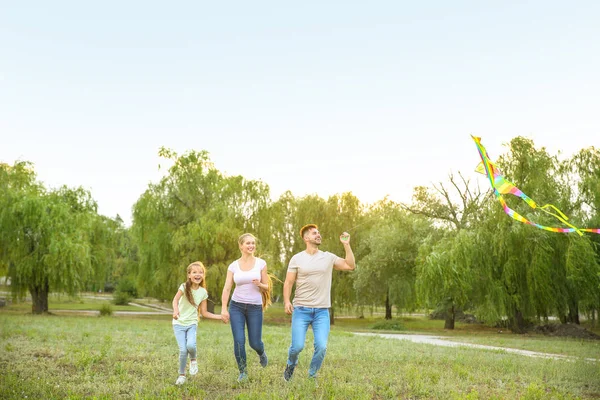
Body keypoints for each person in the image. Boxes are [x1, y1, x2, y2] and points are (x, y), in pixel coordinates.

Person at [283, 224, 355, 381]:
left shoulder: (328, 257)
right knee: (297, 347)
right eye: (315, 233)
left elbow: (350, 265)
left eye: (319, 233)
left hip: (321, 311)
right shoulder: (297, 258)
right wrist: (287, 301)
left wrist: (346, 245)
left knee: (322, 347)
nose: (318, 235)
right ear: (306, 238)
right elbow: (288, 282)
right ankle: (290, 364)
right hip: (301, 309)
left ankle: (312, 375)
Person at [221, 233, 272, 382]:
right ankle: (243, 372)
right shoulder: (233, 266)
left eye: (253, 243)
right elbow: (226, 288)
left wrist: (260, 284)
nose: (251, 246)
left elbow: (267, 287)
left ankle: (261, 352)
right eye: (248, 243)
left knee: (254, 343)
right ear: (241, 245)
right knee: (239, 340)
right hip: (236, 306)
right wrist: (224, 308)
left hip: (255, 307)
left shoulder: (261, 263)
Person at [172, 261, 223, 386]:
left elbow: (204, 313)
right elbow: (175, 300)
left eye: (201, 272)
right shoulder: (184, 287)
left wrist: (220, 316)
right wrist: (176, 310)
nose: (198, 274)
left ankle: (193, 360)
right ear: (189, 275)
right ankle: (182, 375)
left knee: (191, 346)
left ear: (203, 275)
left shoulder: (203, 292)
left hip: (192, 324)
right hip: (178, 323)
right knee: (183, 350)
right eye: (194, 272)